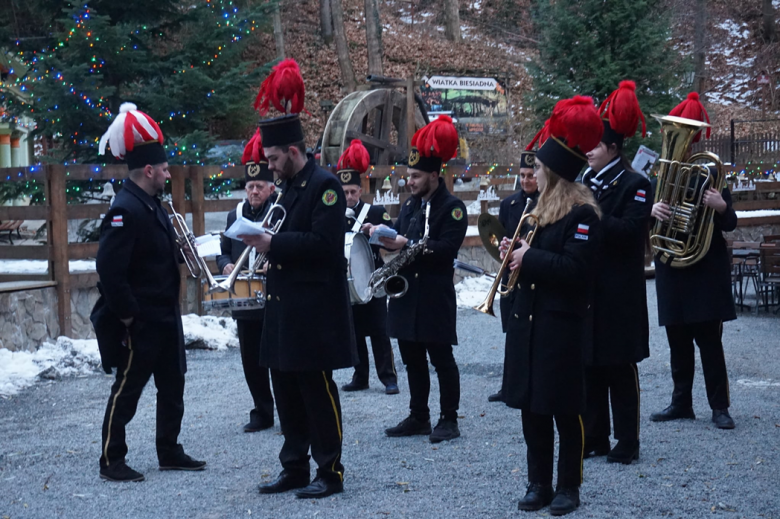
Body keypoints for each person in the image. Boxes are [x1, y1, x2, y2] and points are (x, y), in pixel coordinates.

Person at [239, 59, 357, 499]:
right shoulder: (288, 188)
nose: (269, 168)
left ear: (292, 151)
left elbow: (325, 245)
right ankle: (294, 466)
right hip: (285, 306)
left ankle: (330, 470)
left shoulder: (324, 185)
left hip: (314, 309)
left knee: (316, 391)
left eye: (272, 159)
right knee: (285, 388)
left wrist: (273, 245)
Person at [91, 103, 205, 482]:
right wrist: (128, 315)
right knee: (128, 390)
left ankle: (169, 450)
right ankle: (112, 458)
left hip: (164, 313)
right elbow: (109, 269)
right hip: (142, 317)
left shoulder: (151, 203)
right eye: (166, 169)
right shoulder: (125, 209)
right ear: (150, 171)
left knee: (173, 386)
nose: (169, 174)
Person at [502, 96, 602, 516]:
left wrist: (531, 258)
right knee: (532, 409)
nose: (534, 175)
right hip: (529, 323)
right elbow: (538, 260)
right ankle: (537, 482)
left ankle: (569, 486)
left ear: (556, 174)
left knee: (564, 410)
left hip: (560, 327)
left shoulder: (582, 214)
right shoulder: (538, 211)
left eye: (540, 169)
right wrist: (516, 250)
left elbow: (578, 270)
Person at [366, 115, 468, 444]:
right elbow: (401, 235)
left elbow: (445, 249)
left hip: (435, 294)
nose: (409, 182)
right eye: (408, 176)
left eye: (416, 176)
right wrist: (381, 237)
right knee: (411, 359)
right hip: (407, 294)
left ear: (435, 176)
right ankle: (419, 415)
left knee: (441, 359)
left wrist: (405, 244)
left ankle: (448, 419)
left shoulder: (452, 208)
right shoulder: (410, 206)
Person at [649, 92, 738, 430]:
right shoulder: (662, 176)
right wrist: (652, 211)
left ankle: (719, 407)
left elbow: (730, 223)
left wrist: (719, 205)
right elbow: (647, 219)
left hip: (703, 270)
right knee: (678, 342)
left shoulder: (711, 174)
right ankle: (680, 402)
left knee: (710, 344)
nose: (680, 148)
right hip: (673, 267)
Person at [580, 81, 652, 464]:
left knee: (620, 369)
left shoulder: (636, 185)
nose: (587, 150)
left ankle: (628, 440)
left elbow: (629, 233)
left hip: (620, 292)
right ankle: (595, 436)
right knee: (590, 366)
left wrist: (593, 215)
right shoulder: (587, 184)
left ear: (613, 148)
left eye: (595, 145)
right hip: (590, 289)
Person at [216, 129, 276, 432]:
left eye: (260, 186)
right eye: (250, 186)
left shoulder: (279, 212)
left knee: (276, 357)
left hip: (272, 295)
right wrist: (226, 265)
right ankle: (262, 411)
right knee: (250, 360)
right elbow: (223, 251)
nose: (254, 191)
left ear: (270, 188)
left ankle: (287, 410)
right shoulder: (234, 215)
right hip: (243, 297)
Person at [336, 140, 400, 395]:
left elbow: (394, 237)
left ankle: (388, 377)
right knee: (354, 331)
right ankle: (360, 375)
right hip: (347, 281)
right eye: (344, 193)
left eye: (352, 192)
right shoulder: (334, 215)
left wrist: (374, 231)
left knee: (378, 331)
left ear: (360, 190)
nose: (349, 197)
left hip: (373, 280)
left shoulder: (375, 211)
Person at [488, 146, 540, 403]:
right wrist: (503, 247)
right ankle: (508, 384)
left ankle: (527, 383)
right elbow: (499, 238)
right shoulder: (509, 203)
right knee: (510, 329)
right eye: (522, 175)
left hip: (531, 273)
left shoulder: (545, 203)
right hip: (510, 273)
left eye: (531, 174)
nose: (526, 180)